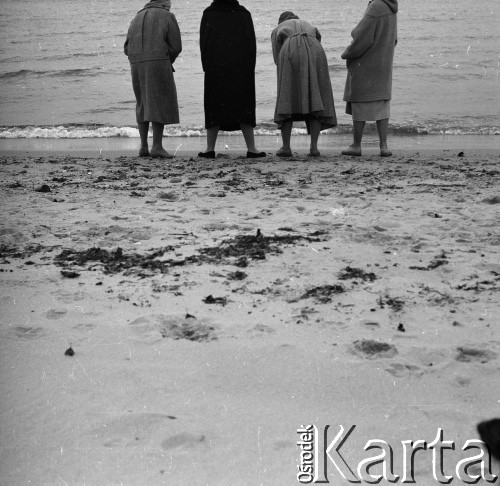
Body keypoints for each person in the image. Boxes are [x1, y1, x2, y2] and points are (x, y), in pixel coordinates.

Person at [199, 0, 266, 159]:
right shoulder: (244, 14)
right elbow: (252, 45)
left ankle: (209, 149)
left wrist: (206, 66)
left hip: (215, 67)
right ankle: (251, 148)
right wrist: (250, 68)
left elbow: (204, 43)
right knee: (244, 106)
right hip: (241, 67)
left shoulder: (208, 13)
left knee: (214, 106)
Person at [272, 11, 337, 157]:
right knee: (314, 98)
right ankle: (314, 148)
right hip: (315, 49)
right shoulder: (307, 24)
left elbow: (277, 59)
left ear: (280, 21)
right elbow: (318, 38)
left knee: (286, 99)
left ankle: (286, 147)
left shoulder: (279, 27)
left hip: (290, 47)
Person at [124, 0, 182, 158]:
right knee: (159, 101)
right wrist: (167, 58)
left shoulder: (136, 17)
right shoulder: (167, 15)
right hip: (158, 61)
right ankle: (157, 146)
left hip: (136, 63)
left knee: (142, 102)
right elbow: (176, 46)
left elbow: (126, 48)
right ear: (164, 5)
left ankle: (143, 146)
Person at [341, 0, 398, 157]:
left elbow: (361, 36)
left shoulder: (376, 6)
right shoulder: (391, 8)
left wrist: (347, 53)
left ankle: (356, 145)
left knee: (360, 101)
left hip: (367, 64)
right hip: (383, 64)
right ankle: (384, 146)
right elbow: (394, 39)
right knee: (382, 104)